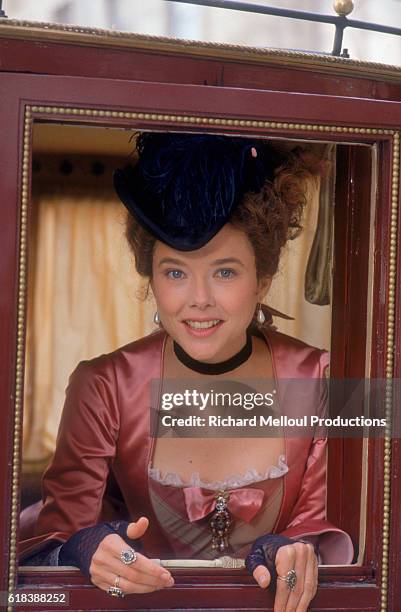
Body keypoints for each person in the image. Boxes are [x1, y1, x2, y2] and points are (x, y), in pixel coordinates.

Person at [19, 132, 354, 611]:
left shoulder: (323, 378)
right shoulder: (103, 384)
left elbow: (336, 527)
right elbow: (57, 537)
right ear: (151, 278)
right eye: (175, 272)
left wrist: (300, 546)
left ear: (262, 279)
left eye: (224, 272)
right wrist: (82, 547)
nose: (198, 299)